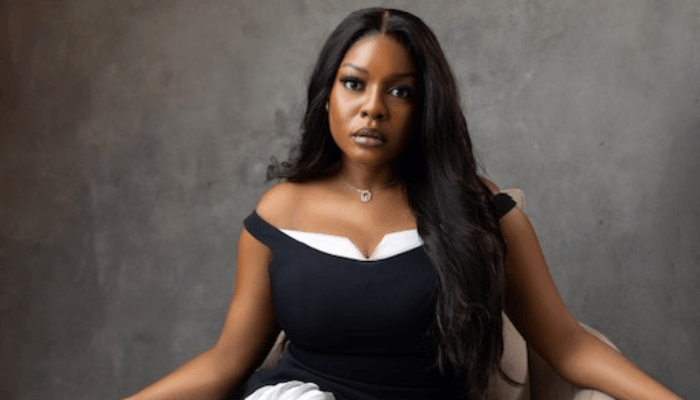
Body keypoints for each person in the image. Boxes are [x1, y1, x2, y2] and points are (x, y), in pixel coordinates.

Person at [123, 7, 683, 400]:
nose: (373, 107)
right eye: (354, 84)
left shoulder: (479, 212)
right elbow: (225, 363)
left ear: (425, 107)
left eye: (400, 91)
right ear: (326, 97)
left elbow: (568, 345)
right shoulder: (277, 215)